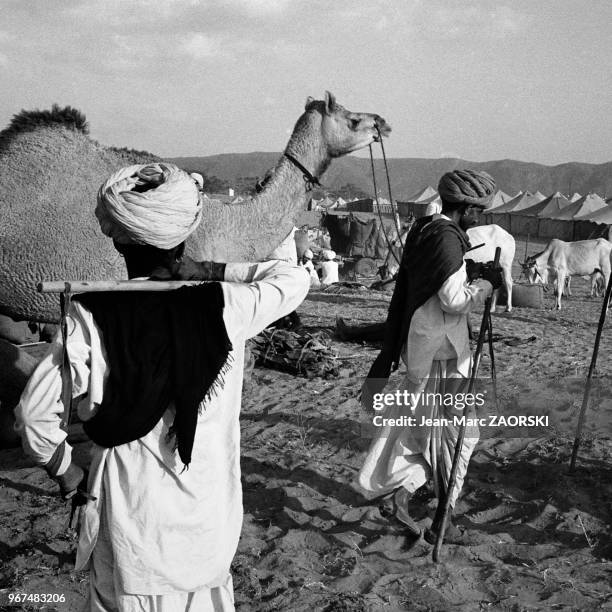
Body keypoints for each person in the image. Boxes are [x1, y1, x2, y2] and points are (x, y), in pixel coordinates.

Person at [15, 162, 310, 611]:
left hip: (130, 526)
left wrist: (70, 476)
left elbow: (34, 420)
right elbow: (293, 278)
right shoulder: (229, 305)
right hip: (208, 524)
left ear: (116, 237)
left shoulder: (88, 316)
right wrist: (207, 268)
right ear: (188, 231)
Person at [357, 169, 503, 544]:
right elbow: (454, 300)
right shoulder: (447, 239)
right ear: (466, 208)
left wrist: (469, 272)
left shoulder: (423, 230)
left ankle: (402, 494)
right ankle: (444, 519)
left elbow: (433, 280)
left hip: (421, 346)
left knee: (426, 433)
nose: (480, 218)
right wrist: (485, 285)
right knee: (461, 436)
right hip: (444, 353)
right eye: (478, 211)